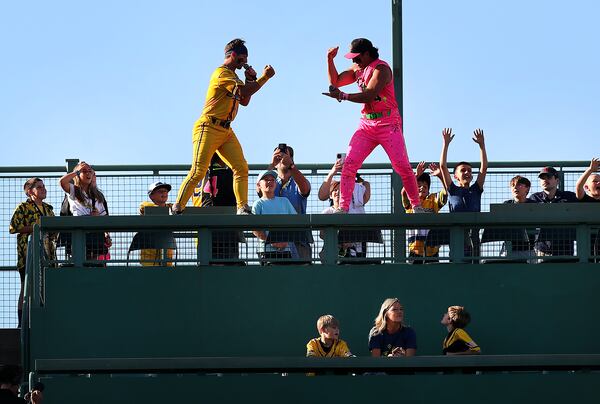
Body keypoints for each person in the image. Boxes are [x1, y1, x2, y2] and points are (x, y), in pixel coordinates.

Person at [172, 38, 275, 215]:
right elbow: (243, 92)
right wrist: (264, 78)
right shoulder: (221, 73)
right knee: (198, 170)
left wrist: (249, 79)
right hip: (208, 126)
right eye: (243, 58)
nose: (245, 63)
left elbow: (244, 101)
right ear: (233, 55)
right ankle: (177, 208)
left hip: (226, 130)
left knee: (241, 167)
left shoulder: (234, 75)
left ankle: (242, 207)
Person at [322, 38, 423, 213]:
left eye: (357, 57)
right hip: (367, 124)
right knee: (349, 164)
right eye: (352, 58)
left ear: (368, 54)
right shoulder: (358, 69)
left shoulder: (381, 69)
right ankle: (343, 208)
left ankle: (416, 205)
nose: (354, 61)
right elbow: (336, 81)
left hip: (388, 123)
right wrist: (329, 60)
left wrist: (342, 96)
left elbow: (369, 95)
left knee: (402, 165)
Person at [9, 178, 56, 327]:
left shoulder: (49, 209)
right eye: (39, 187)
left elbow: (55, 230)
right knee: (26, 286)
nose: (44, 189)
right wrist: (36, 227)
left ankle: (44, 322)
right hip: (27, 254)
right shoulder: (23, 207)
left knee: (47, 288)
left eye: (44, 187)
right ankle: (22, 323)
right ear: (30, 191)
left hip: (48, 255)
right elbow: (13, 227)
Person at [59, 162, 112, 262]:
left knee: (95, 262)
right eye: (84, 171)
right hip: (79, 231)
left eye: (90, 171)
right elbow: (62, 182)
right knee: (80, 261)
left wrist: (106, 234)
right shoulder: (73, 190)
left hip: (95, 233)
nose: (88, 173)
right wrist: (76, 172)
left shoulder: (98, 195)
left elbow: (104, 216)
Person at [267, 144, 313, 260]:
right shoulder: (269, 183)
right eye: (278, 156)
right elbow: (260, 189)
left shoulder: (297, 180)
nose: (281, 159)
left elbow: (305, 189)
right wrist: (271, 166)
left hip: (298, 242)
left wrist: (291, 165)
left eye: (285, 156)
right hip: (274, 242)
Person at [401, 162, 448, 263]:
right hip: (415, 249)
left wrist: (440, 176)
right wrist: (416, 175)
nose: (422, 187)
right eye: (418, 185)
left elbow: (446, 192)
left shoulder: (433, 200)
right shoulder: (410, 202)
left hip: (432, 250)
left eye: (425, 186)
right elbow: (404, 192)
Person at [528, 167, 578, 259]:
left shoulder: (569, 197)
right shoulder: (534, 198)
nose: (545, 180)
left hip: (565, 250)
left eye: (549, 177)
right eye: (542, 178)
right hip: (541, 250)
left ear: (557, 180)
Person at [252, 170, 299, 263]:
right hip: (265, 251)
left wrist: (285, 241)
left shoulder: (285, 201)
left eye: (272, 180)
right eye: (266, 180)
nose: (270, 182)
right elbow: (254, 228)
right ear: (258, 185)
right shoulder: (258, 204)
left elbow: (295, 222)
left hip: (286, 250)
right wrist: (273, 242)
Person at [439, 128, 488, 212]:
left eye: (469, 170)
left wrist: (482, 146)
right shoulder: (452, 189)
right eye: (463, 170)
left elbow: (483, 168)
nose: (467, 172)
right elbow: (443, 166)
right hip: (456, 225)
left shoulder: (476, 189)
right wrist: (445, 144)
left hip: (473, 225)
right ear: (456, 176)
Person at [319, 180, 363, 259]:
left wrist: (348, 242)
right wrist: (338, 240)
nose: (338, 192)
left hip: (350, 250)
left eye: (341, 190)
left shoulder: (352, 211)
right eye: (335, 190)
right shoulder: (327, 212)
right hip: (332, 249)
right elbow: (322, 234)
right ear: (330, 195)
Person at [139, 182, 175, 266]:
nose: (164, 193)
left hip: (167, 260)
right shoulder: (145, 206)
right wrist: (164, 209)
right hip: (149, 260)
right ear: (151, 196)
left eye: (166, 191)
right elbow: (143, 206)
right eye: (160, 191)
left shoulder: (171, 208)